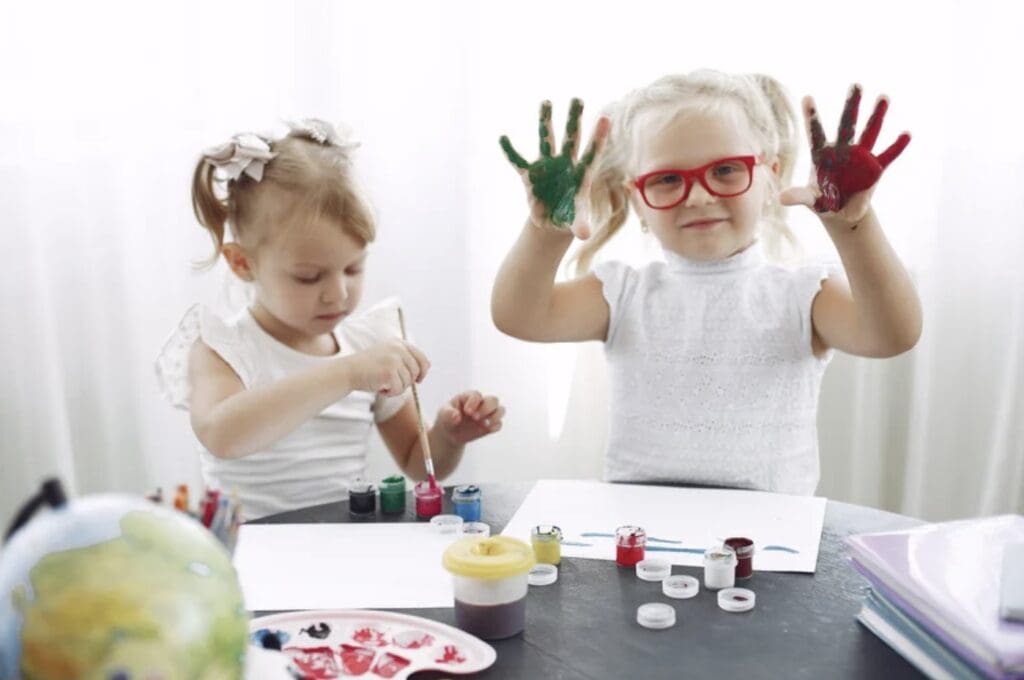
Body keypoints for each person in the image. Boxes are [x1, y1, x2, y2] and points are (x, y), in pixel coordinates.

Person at [492, 71, 921, 495]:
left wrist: (854, 226)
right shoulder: (622, 293)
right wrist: (546, 231)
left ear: (769, 177)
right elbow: (520, 316)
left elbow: (892, 334)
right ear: (638, 200)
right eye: (667, 179)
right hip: (642, 540)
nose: (698, 195)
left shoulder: (800, 296)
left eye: (726, 170)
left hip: (769, 542)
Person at [157, 119, 504, 519]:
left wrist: (448, 435)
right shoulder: (223, 349)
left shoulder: (368, 344)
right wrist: (346, 374)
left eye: (353, 269)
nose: (338, 293)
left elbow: (417, 462)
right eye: (309, 276)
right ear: (242, 263)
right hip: (252, 555)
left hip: (339, 549)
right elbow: (222, 434)